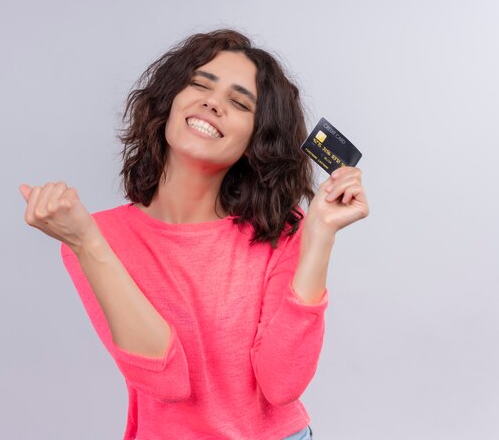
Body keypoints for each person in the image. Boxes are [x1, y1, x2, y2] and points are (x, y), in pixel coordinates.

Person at [19, 28, 369, 440]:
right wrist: (86, 242)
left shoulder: (279, 229)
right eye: (200, 84)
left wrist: (319, 235)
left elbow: (282, 386)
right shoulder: (97, 238)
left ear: (256, 141)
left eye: (238, 103)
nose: (212, 103)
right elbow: (167, 382)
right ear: (168, 102)